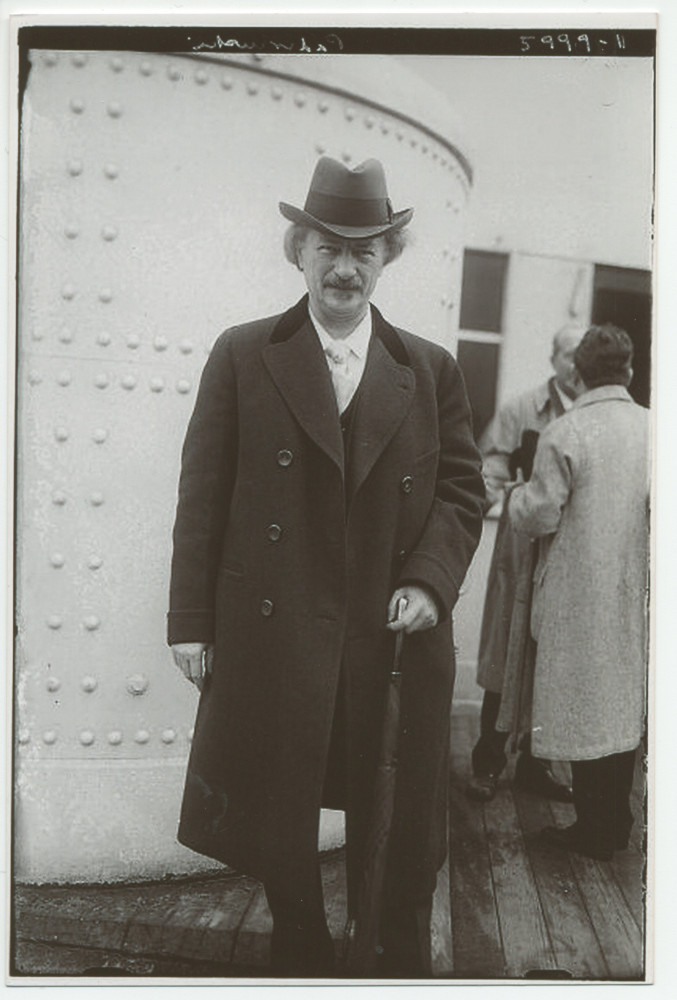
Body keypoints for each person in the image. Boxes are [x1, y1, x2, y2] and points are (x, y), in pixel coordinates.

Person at [167, 156, 485, 977]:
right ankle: (300, 946)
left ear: (387, 260)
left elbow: (460, 492)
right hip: (279, 631)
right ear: (297, 253)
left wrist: (427, 580)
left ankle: (397, 952)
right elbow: (202, 496)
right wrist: (191, 623)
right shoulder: (243, 354)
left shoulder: (429, 368)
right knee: (280, 805)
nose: (345, 268)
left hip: (389, 635)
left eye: (364, 252)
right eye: (327, 249)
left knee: (402, 812)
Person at [508, 324, 649, 861]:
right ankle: (616, 819)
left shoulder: (565, 433)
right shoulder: (655, 428)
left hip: (576, 593)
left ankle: (596, 827)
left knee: (584, 706)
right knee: (619, 705)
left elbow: (540, 514)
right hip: (633, 588)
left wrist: (518, 495)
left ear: (578, 372)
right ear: (629, 372)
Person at [466, 325, 585, 802]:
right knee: (505, 655)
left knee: (551, 659)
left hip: (569, 557)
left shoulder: (595, 413)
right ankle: (488, 762)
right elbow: (487, 471)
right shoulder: (522, 409)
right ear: (554, 358)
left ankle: (536, 765)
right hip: (519, 556)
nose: (577, 366)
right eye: (570, 355)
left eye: (585, 356)